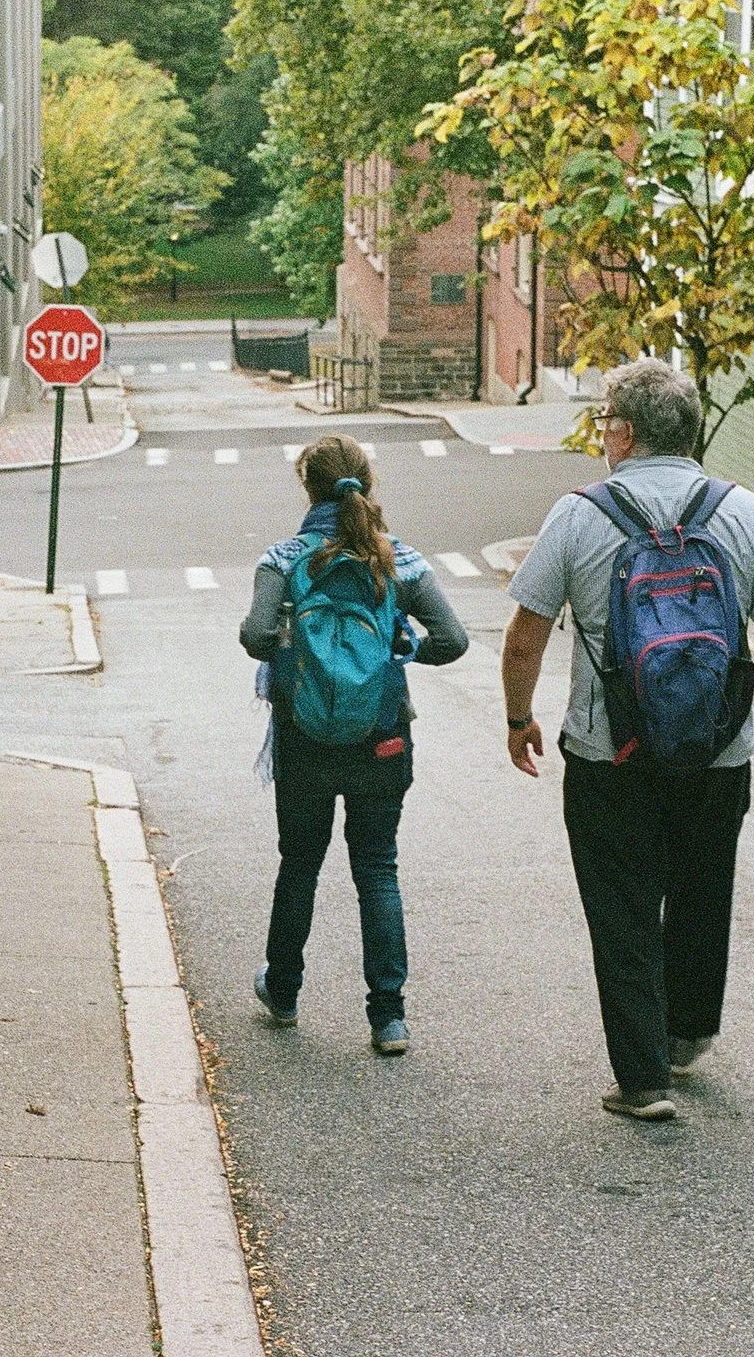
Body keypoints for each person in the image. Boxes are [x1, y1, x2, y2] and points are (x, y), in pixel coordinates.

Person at [500, 359, 754, 1121]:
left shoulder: (579, 514)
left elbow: (525, 636)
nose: (603, 430)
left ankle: (644, 1078)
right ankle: (687, 1030)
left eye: (607, 418)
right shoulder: (744, 514)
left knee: (622, 904)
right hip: (718, 751)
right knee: (704, 887)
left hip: (610, 751)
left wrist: (519, 718)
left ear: (627, 432)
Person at [238, 435, 468, 1055]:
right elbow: (452, 639)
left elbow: (257, 636)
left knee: (300, 863)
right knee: (377, 867)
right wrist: (399, 649)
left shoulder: (284, 560)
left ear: (307, 487)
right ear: (366, 483)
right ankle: (388, 1017)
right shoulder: (399, 560)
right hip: (382, 735)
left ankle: (283, 991)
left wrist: (291, 640)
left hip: (304, 736)